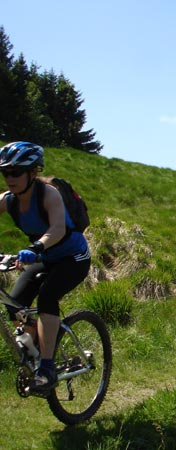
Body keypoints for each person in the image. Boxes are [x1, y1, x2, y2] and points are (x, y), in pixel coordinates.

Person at [0, 142, 91, 394]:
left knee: (48, 297)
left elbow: (57, 229)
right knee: (13, 303)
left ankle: (47, 368)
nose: (10, 178)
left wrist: (37, 247)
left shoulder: (49, 194)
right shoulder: (8, 201)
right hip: (45, 257)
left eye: (16, 172)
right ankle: (36, 348)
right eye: (5, 173)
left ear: (32, 172)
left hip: (73, 256)